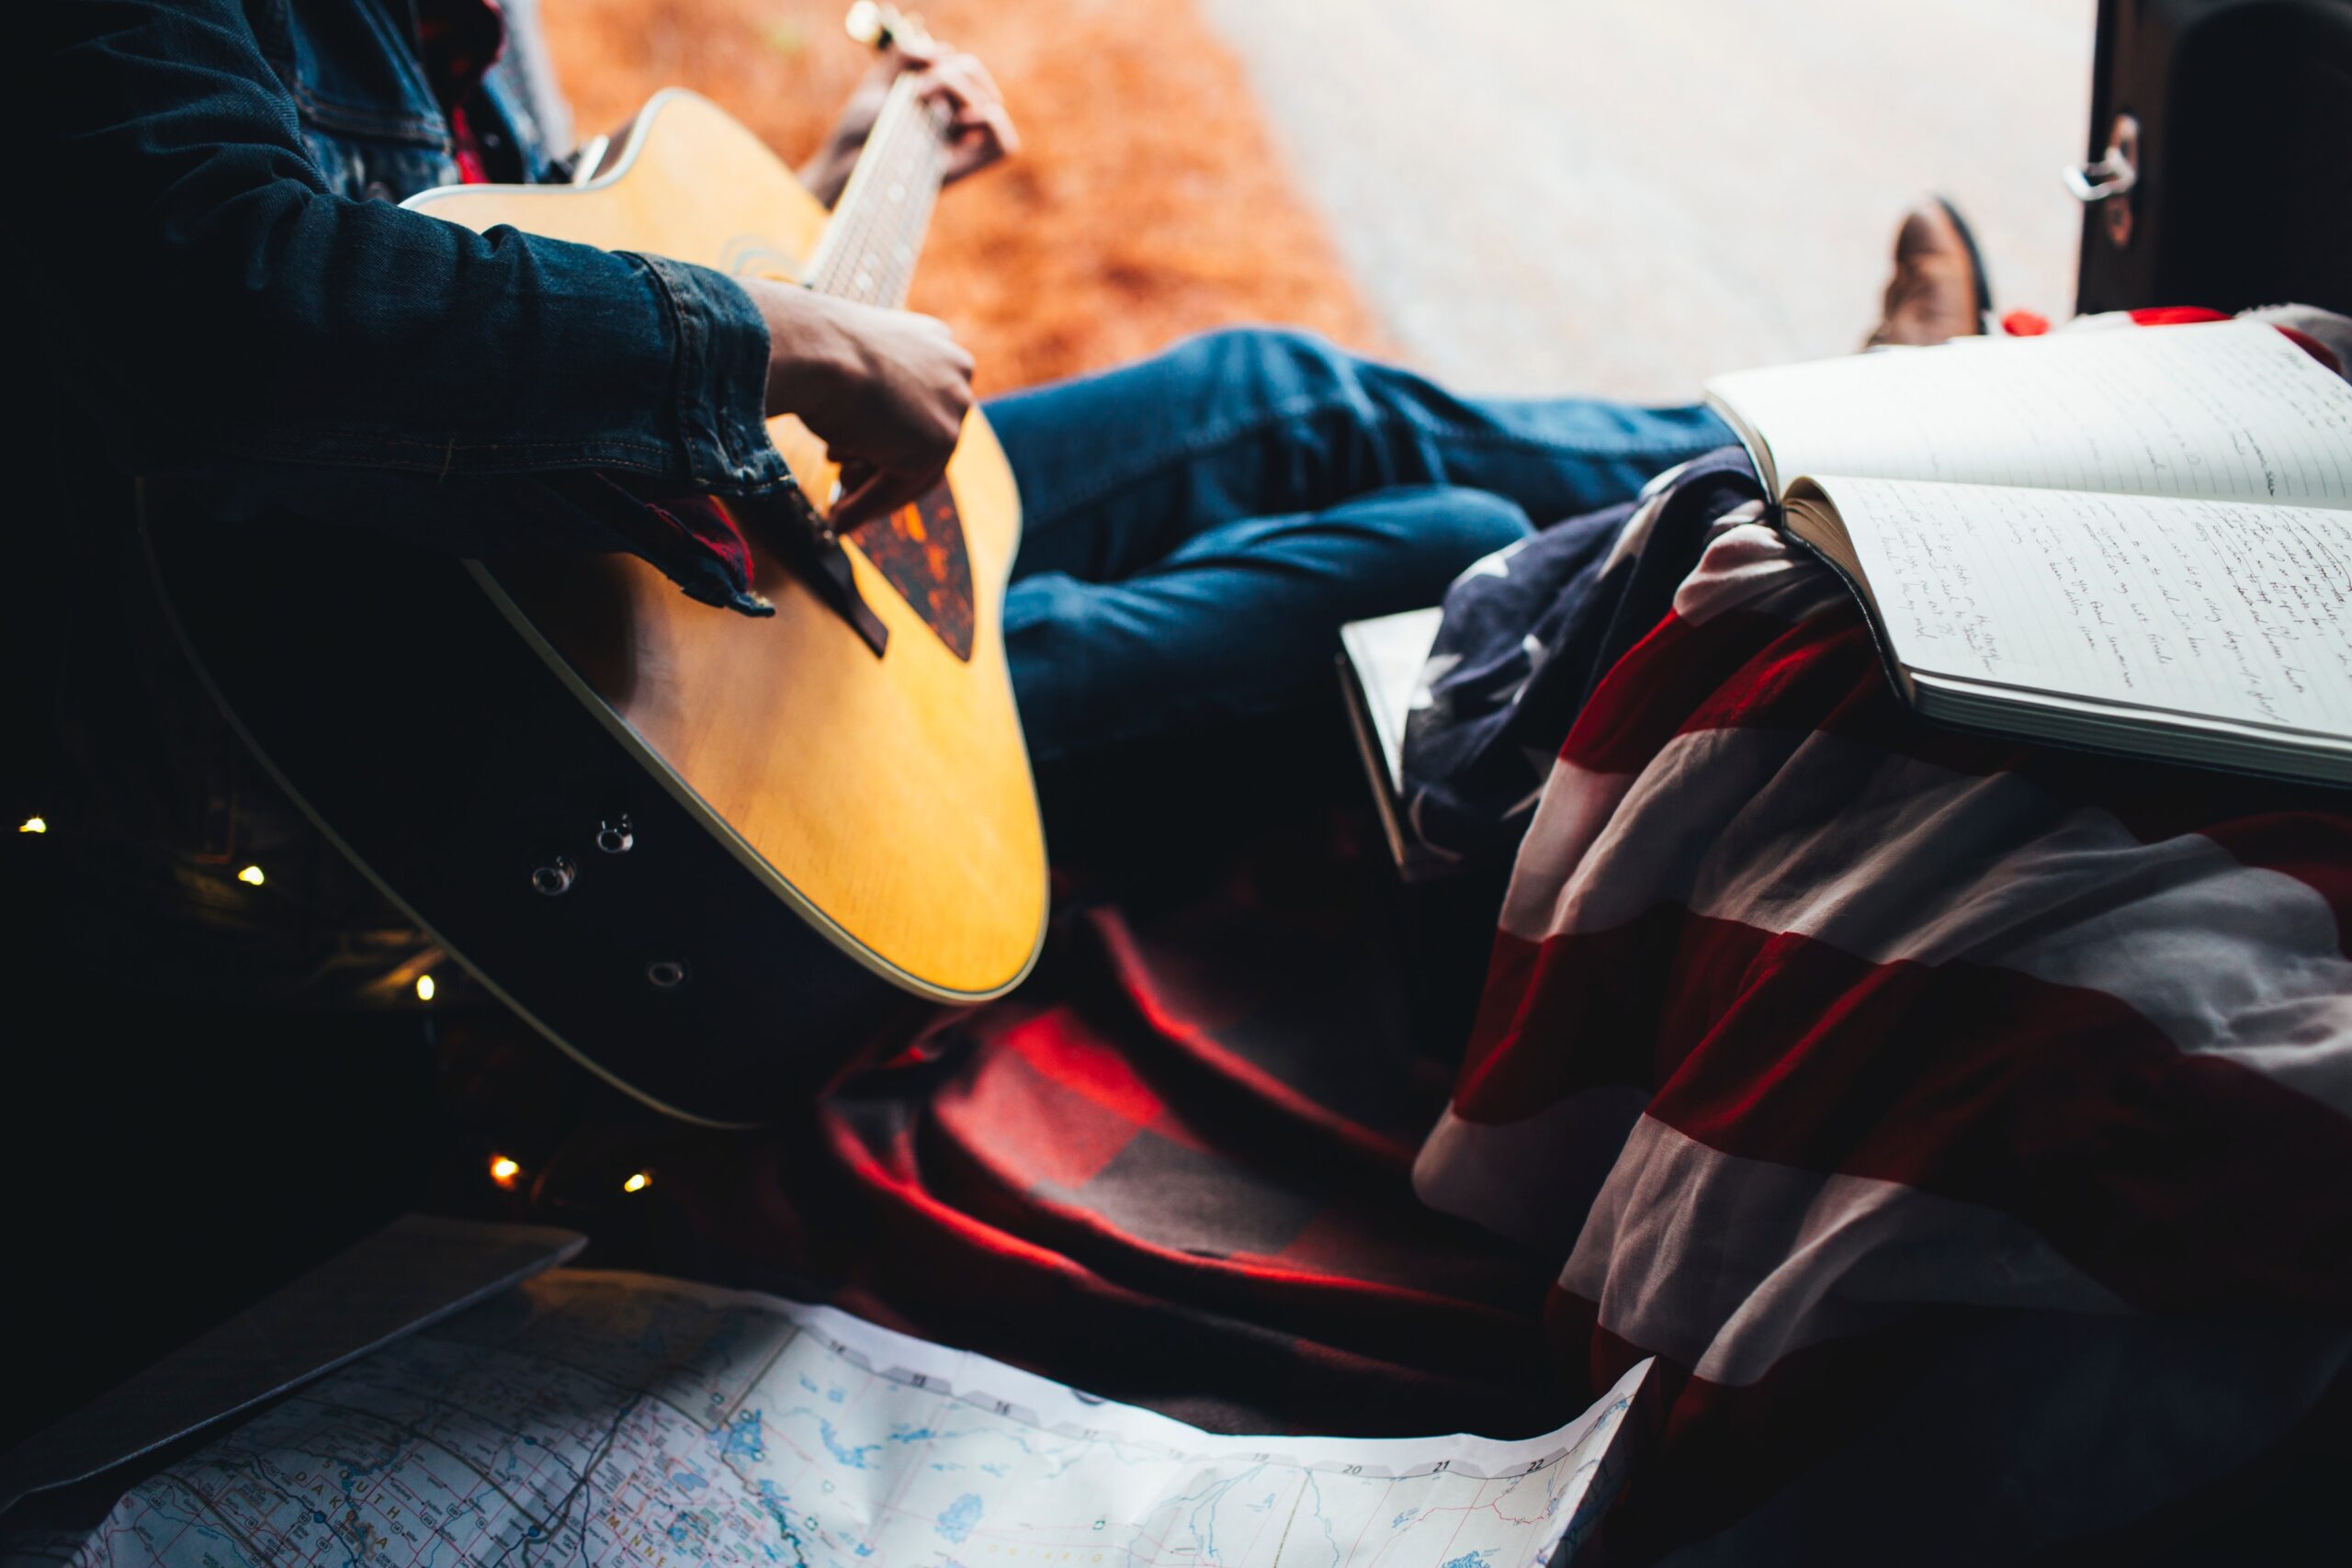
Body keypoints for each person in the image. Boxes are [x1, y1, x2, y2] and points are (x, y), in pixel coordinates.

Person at [3, 0, 1986, 1443]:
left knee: (1293, 395)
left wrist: (846, 183)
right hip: (574, 748)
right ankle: (1822, 477)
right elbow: (233, 297)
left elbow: (527, 272)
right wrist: (784, 332)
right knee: (1428, 544)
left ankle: (1853, 439)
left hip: (650, 543)